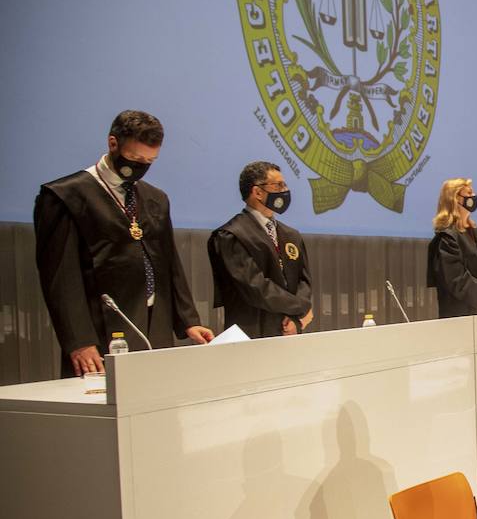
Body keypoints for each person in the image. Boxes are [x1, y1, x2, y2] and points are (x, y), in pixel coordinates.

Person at [34, 110, 213, 376]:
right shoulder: (66, 196)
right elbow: (60, 277)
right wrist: (79, 340)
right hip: (102, 330)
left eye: (150, 160)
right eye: (135, 158)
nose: (141, 166)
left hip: (155, 325)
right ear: (113, 143)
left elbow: (169, 264)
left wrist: (189, 320)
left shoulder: (155, 198)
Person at [207, 161, 314, 339]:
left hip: (290, 331)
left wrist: (296, 319)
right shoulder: (232, 235)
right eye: (278, 185)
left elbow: (304, 281)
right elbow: (255, 287)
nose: (284, 190)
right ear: (257, 192)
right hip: (252, 332)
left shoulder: (291, 235)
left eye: (285, 184)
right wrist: (301, 308)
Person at [427, 178, 477, 317]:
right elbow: (456, 277)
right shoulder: (446, 236)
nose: (473, 197)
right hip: (457, 313)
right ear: (455, 199)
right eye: (468, 193)